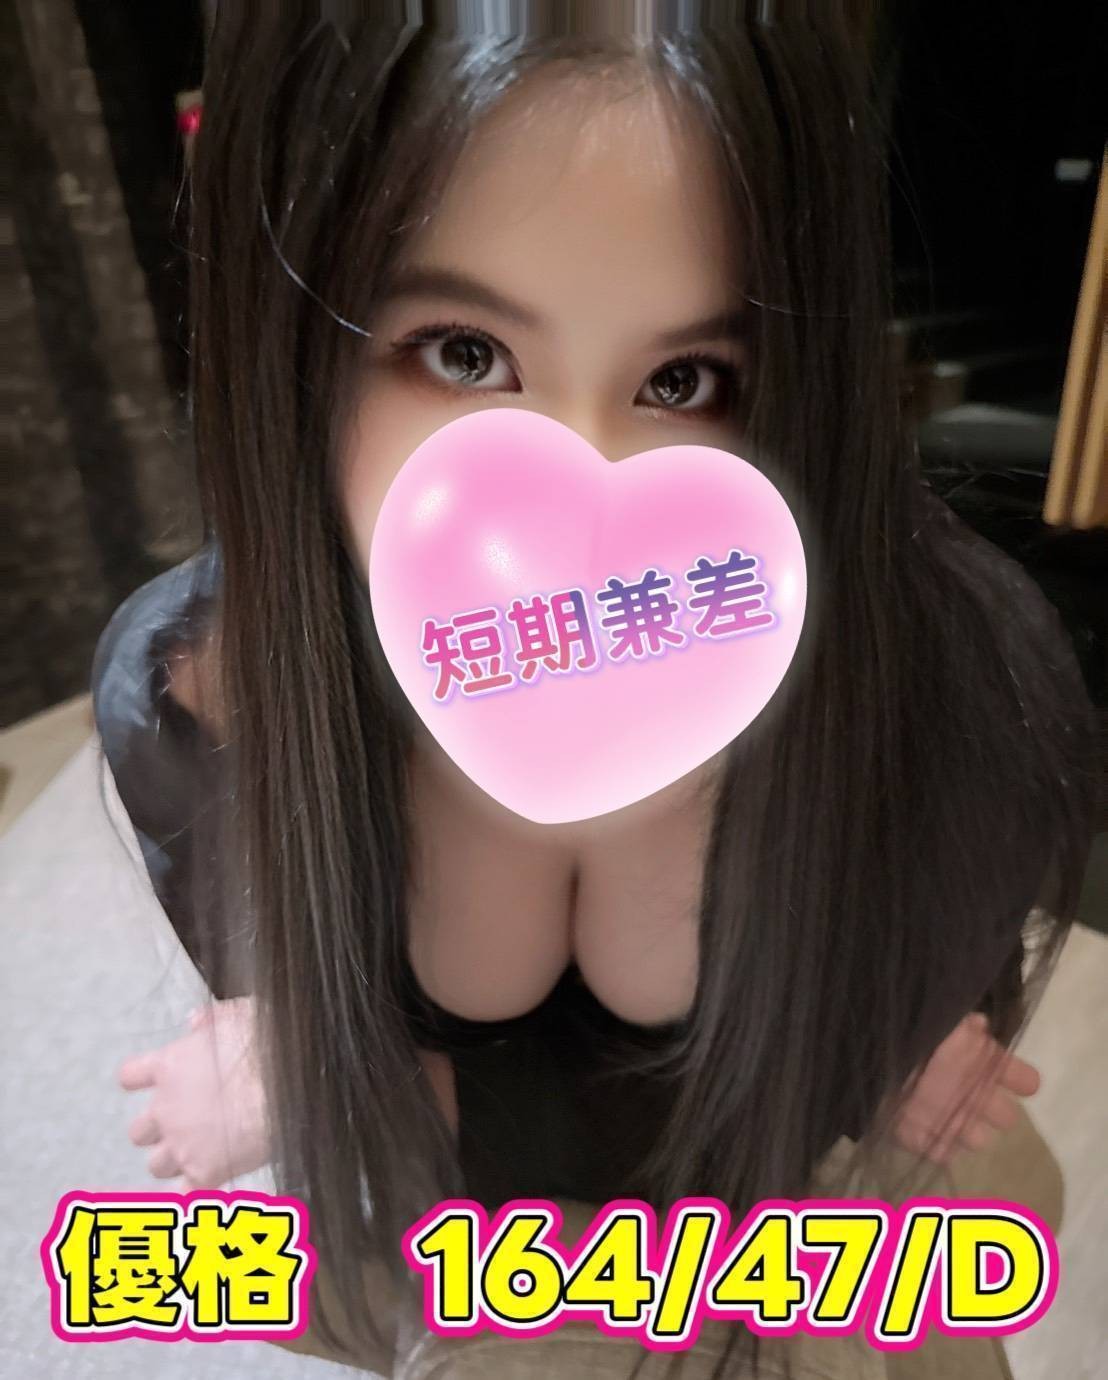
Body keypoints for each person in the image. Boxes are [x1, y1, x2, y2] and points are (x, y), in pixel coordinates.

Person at [91, 6, 1095, 1375]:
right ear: (297, 341)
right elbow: (338, 1098)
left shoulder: (946, 668)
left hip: (793, 1197)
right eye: (463, 354)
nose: (574, 491)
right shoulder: (201, 692)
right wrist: (318, 1063)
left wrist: (896, 1025)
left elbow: (908, 1014)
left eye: (686, 379)